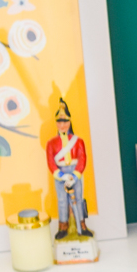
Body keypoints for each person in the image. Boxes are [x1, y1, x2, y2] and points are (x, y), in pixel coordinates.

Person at [46, 98, 89, 238]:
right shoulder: (51, 143)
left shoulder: (78, 141)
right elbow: (51, 162)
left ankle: (82, 226)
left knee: (78, 198)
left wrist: (75, 176)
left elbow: (82, 159)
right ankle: (63, 227)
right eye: (59, 122)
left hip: (74, 172)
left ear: (69, 122)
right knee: (62, 200)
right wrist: (61, 175)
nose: (62, 124)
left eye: (65, 121)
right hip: (60, 174)